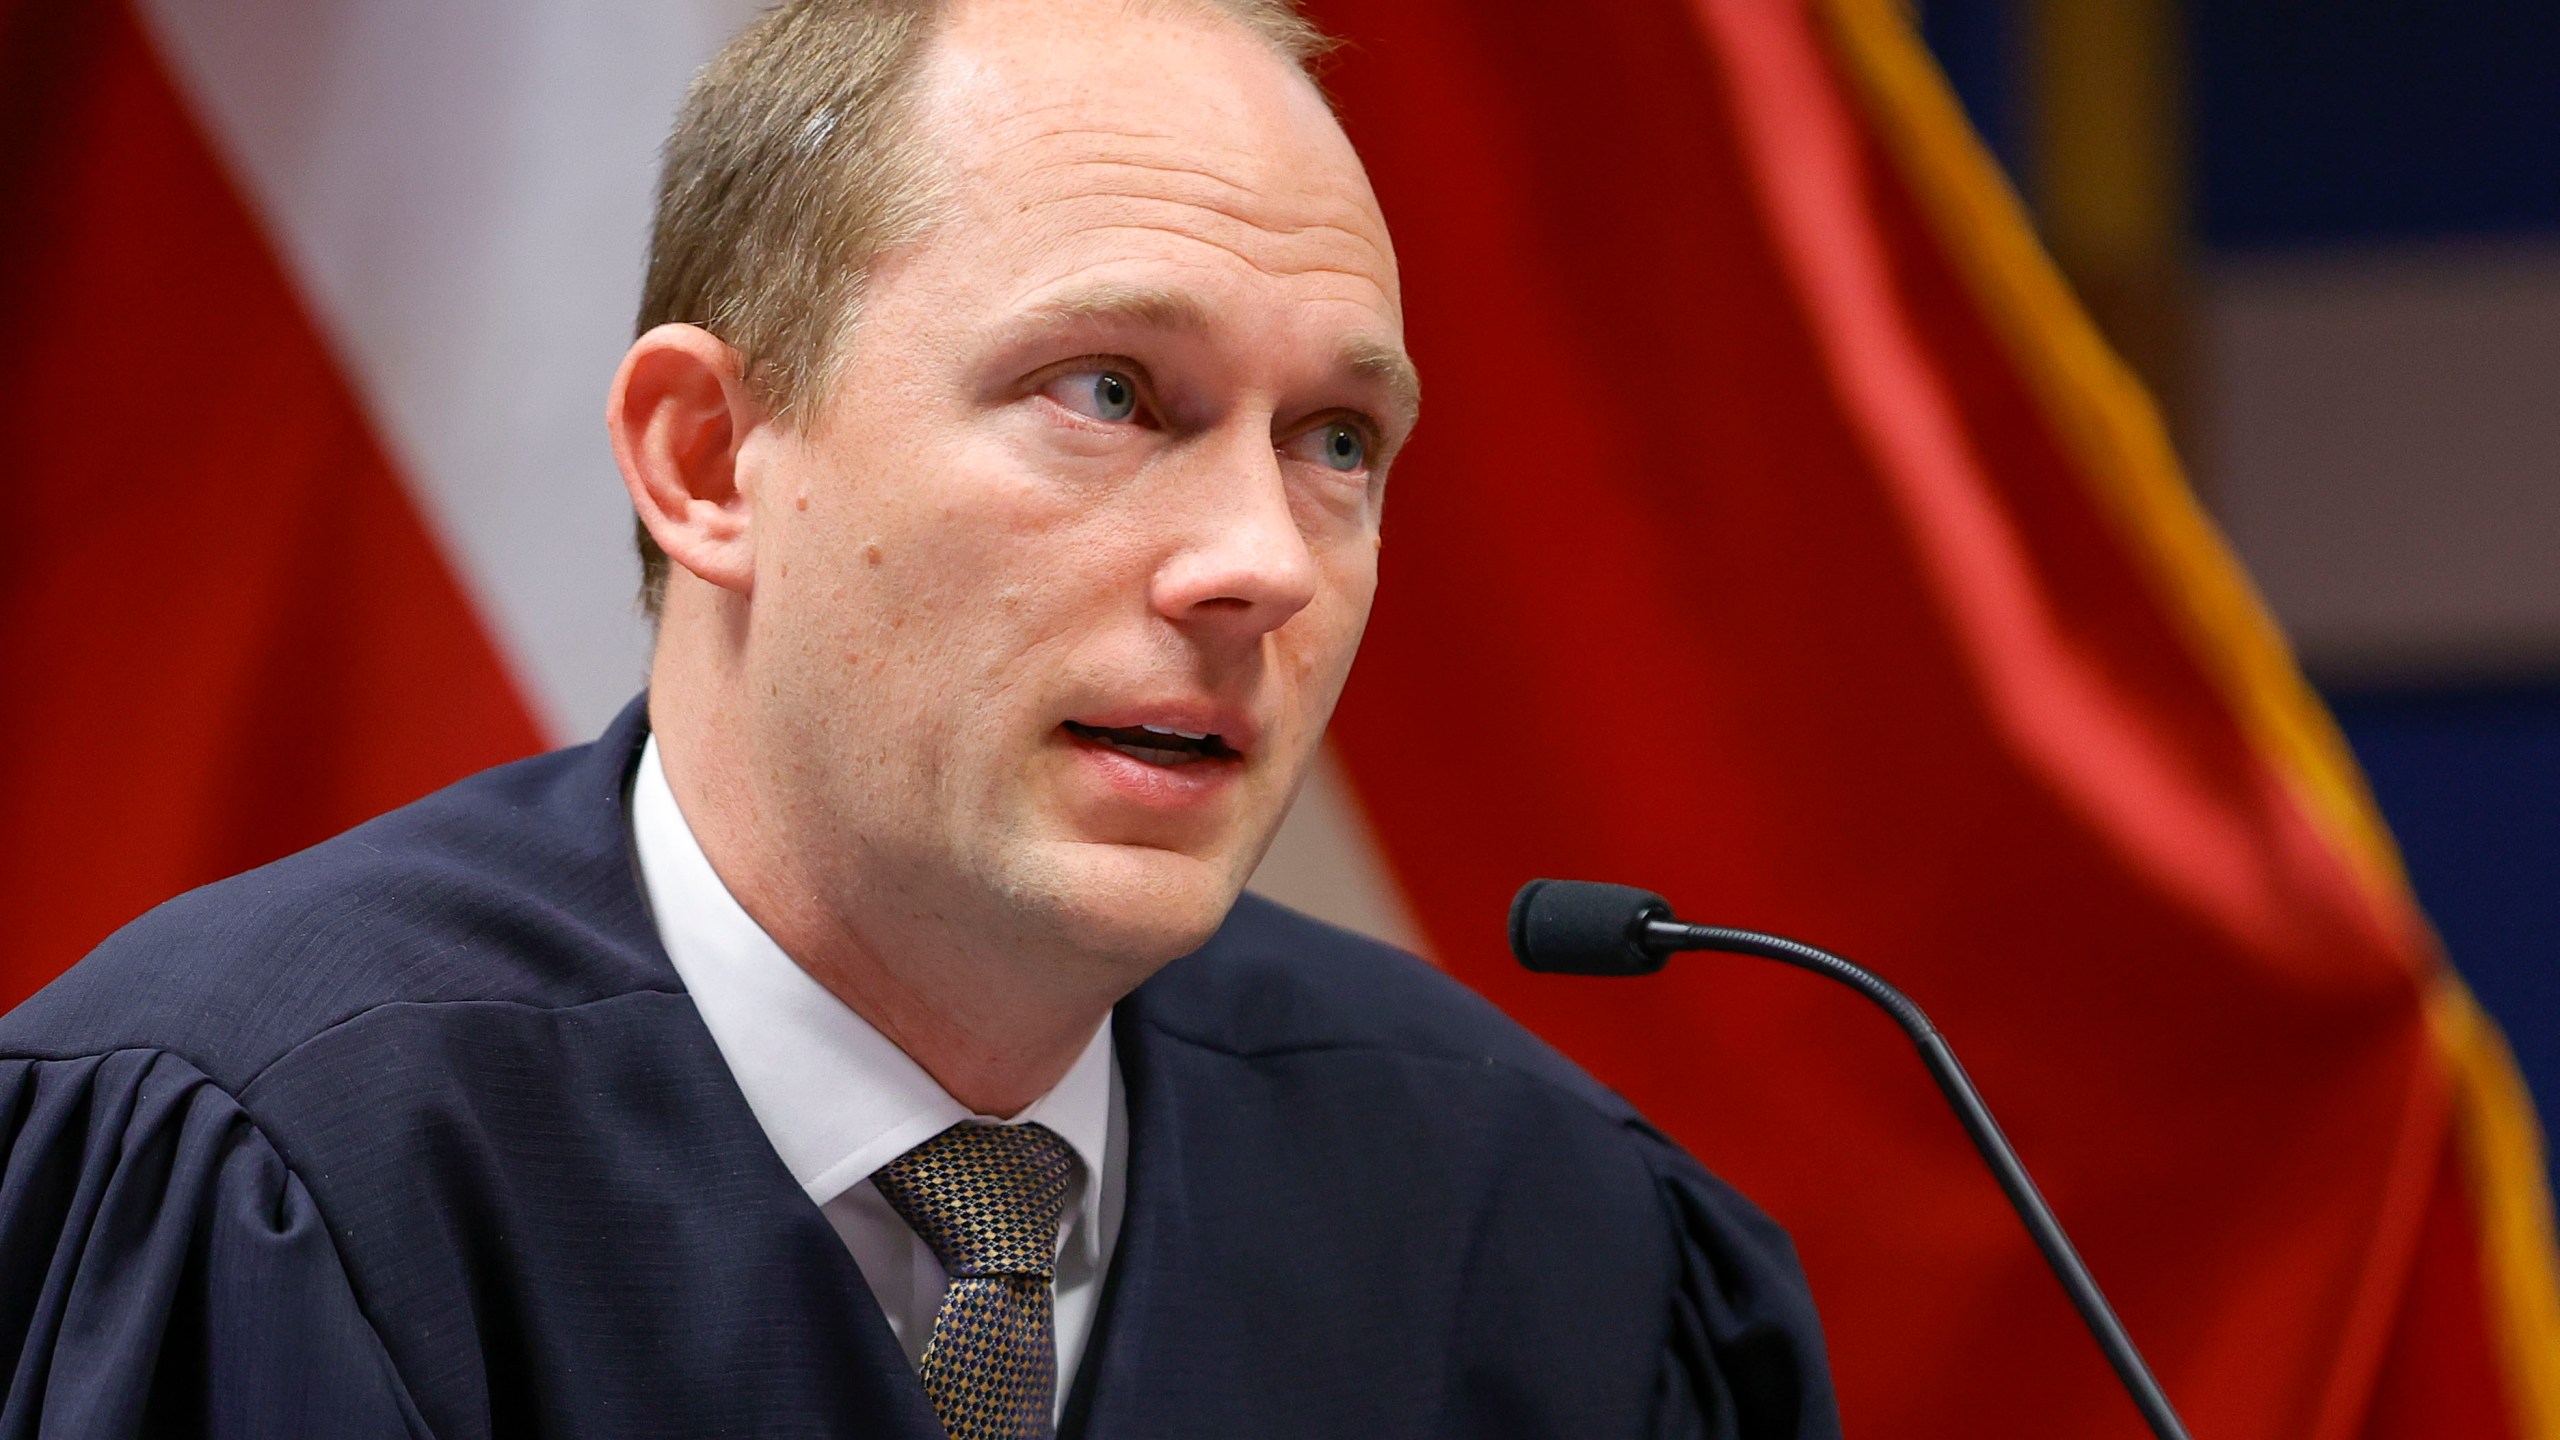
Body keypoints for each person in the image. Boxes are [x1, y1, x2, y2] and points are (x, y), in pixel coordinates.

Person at [0, 0, 1840, 1435]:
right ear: (710, 461)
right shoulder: (267, 1169)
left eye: (1337, 440)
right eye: (1110, 391)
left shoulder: (1529, 1227)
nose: (1260, 561)